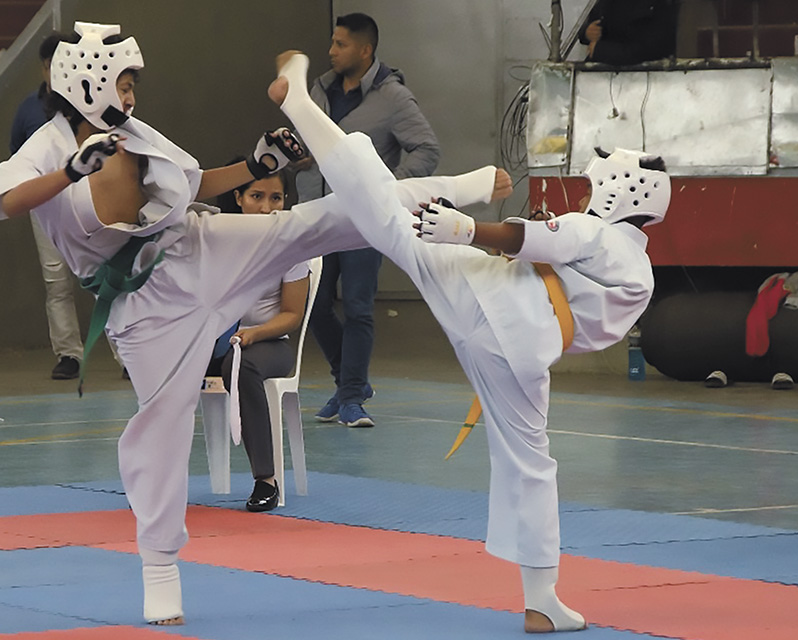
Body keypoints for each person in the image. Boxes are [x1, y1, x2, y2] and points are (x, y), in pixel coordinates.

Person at [0, 21, 501, 626]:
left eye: (131, 85)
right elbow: (4, 203)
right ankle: (159, 568)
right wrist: (73, 171)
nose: (129, 97)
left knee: (313, 223)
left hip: (193, 246)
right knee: (161, 426)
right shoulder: (45, 147)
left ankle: (443, 192)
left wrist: (256, 163)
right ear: (89, 82)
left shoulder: (134, 133)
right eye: (123, 84)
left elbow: (191, 183)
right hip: (144, 308)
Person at [270, 50, 671, 632]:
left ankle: (305, 107)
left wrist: (468, 228)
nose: (587, 198)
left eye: (594, 189)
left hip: (488, 299)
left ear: (616, 195)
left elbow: (535, 238)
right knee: (530, 464)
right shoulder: (641, 278)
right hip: (518, 349)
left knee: (386, 215)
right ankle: (542, 600)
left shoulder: (599, 234)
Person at [297, 12, 441, 428]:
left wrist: (388, 188)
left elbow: (427, 150)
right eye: (332, 43)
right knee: (314, 305)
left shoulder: (394, 98)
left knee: (359, 307)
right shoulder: (319, 91)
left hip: (364, 221)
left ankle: (350, 396)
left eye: (340, 44)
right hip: (319, 216)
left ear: (365, 50)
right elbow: (316, 146)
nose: (331, 51)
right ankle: (350, 385)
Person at [207, 167, 310, 513]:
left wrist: (253, 333)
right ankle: (159, 481)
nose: (267, 208)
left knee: (240, 365)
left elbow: (292, 315)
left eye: (276, 198)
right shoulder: (218, 240)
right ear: (238, 198)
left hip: (270, 344)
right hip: (219, 339)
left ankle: (265, 478)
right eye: (256, 197)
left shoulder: (291, 246)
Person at [10, 32, 88, 380]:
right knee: (57, 282)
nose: (57, 71)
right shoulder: (28, 110)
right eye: (51, 65)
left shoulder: (94, 105)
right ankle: (69, 354)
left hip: (91, 203)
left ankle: (125, 353)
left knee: (107, 277)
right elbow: (16, 162)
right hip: (45, 208)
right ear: (43, 68)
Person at [579, 0, 679, 65]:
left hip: (642, 82)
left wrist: (601, 51)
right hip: (600, 79)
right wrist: (587, 32)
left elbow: (650, 50)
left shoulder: (659, 4)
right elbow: (596, 21)